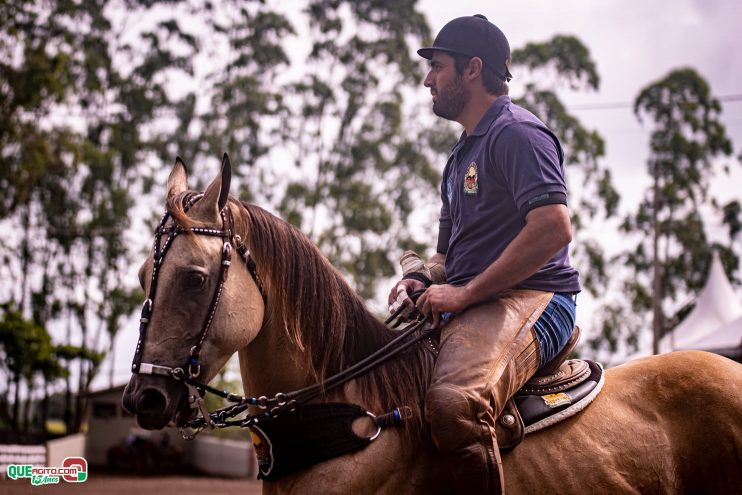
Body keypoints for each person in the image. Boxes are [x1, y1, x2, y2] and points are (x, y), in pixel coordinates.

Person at [388, 14, 581, 495]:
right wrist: (425, 282)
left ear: (472, 69)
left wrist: (464, 293)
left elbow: (554, 228)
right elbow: (445, 258)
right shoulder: (458, 157)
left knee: (453, 404)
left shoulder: (517, 134)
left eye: (438, 66)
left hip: (539, 300)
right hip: (478, 305)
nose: (428, 79)